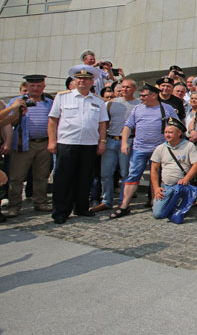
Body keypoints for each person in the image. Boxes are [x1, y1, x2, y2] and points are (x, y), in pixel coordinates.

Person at [47, 65, 108, 224]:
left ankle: (81, 208)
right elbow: (53, 120)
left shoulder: (98, 101)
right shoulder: (62, 97)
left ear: (92, 82)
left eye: (86, 79)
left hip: (89, 143)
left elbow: (102, 123)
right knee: (63, 178)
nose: (82, 81)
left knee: (85, 178)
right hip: (67, 142)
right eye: (79, 78)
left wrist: (102, 141)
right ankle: (61, 211)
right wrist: (52, 141)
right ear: (75, 80)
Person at [110, 83, 178, 219]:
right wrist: (124, 142)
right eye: (140, 95)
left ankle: (155, 203)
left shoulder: (167, 108)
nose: (141, 98)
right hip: (139, 149)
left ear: (153, 95)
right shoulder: (137, 108)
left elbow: (175, 126)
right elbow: (128, 126)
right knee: (133, 176)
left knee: (157, 178)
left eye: (144, 96)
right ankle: (124, 205)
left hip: (159, 150)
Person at [6, 75, 54, 217]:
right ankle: (14, 205)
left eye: (39, 86)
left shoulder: (50, 102)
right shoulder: (17, 102)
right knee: (17, 177)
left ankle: (40, 202)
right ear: (27, 87)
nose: (35, 88)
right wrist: (17, 113)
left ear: (44, 87)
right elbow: (7, 122)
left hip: (44, 143)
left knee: (42, 175)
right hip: (23, 143)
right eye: (32, 86)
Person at [91, 79, 139, 212]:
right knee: (105, 173)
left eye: (128, 87)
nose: (124, 89)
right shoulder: (110, 103)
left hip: (128, 141)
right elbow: (104, 123)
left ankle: (123, 201)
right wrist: (102, 140)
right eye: (123, 87)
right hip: (110, 140)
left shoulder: (139, 104)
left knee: (125, 173)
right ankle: (106, 200)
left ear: (134, 89)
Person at [150, 118, 197, 219]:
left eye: (170, 132)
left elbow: (196, 164)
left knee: (177, 214)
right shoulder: (160, 148)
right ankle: (173, 203)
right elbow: (154, 169)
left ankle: (182, 201)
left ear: (179, 133)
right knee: (157, 214)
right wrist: (156, 188)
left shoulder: (188, 146)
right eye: (165, 132)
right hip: (166, 186)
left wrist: (186, 179)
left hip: (181, 187)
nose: (167, 135)